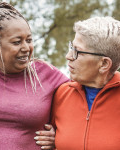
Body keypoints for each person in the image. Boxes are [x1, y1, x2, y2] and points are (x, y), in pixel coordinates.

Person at [0, 2, 69, 150]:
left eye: (29, 40)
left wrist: (62, 136)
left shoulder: (47, 74)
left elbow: (81, 101)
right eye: (17, 42)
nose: (26, 48)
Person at [35, 16, 120, 150]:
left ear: (104, 64)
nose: (68, 56)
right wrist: (55, 142)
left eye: (77, 51)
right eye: (71, 47)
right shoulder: (61, 93)